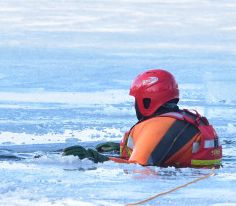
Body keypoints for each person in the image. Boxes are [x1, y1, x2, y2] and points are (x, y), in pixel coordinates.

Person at [61, 69, 222, 167]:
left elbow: (138, 167)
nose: (134, 106)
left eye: (136, 100)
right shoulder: (182, 119)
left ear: (147, 100)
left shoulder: (158, 126)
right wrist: (120, 148)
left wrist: (96, 158)